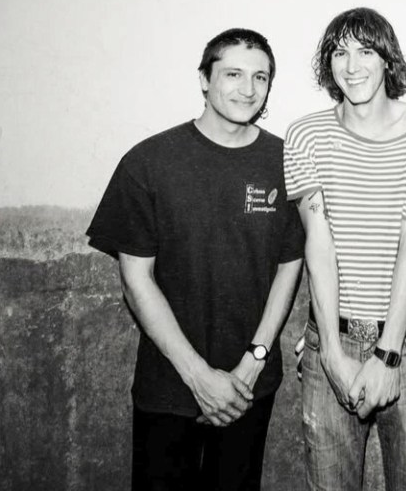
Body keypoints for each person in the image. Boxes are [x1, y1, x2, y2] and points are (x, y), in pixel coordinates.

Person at [86, 28, 304, 491]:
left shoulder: (287, 162)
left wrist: (254, 361)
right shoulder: (148, 163)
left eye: (260, 77)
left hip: (249, 386)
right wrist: (198, 376)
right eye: (233, 74)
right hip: (169, 386)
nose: (248, 89)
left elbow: (290, 266)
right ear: (204, 79)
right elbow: (136, 280)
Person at [284, 7, 406, 491]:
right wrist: (332, 355)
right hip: (329, 337)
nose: (352, 66)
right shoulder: (305, 135)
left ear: (387, 59)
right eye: (340, 53)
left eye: (366, 51)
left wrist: (388, 356)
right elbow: (319, 248)